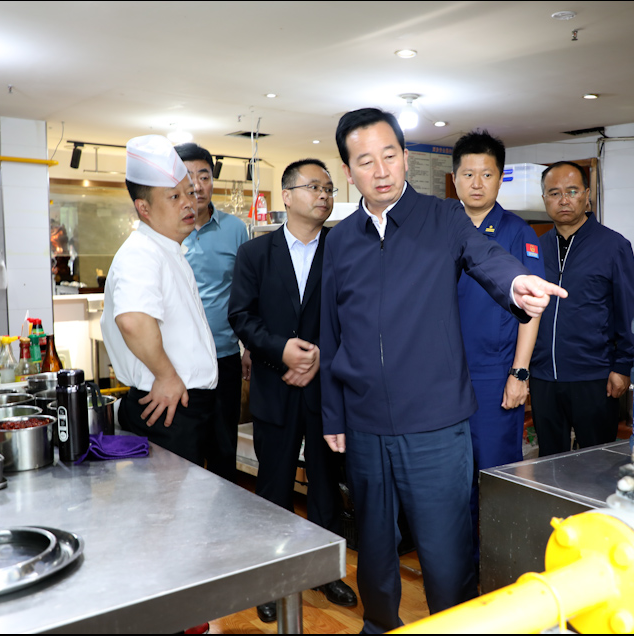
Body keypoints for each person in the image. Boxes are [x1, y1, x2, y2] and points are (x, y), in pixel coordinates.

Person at [319, 108, 567, 634]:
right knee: (375, 546)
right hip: (364, 425)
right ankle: (378, 624)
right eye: (365, 161)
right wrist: (333, 413)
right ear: (348, 171)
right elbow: (330, 331)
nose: (381, 170)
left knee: (445, 551)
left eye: (390, 155)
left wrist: (516, 283)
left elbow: (486, 257)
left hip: (436, 424)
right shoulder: (339, 240)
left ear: (406, 158)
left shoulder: (444, 218)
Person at [228, 158, 357, 622]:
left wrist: (321, 354)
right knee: (274, 486)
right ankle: (271, 579)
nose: (324, 195)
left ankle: (325, 572)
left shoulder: (343, 249)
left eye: (329, 188)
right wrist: (280, 350)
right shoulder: (255, 254)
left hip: (327, 392)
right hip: (275, 385)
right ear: (286, 196)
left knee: (325, 486)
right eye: (314, 187)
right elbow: (241, 316)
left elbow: (355, 314)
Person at [101, 135, 232, 474]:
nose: (189, 202)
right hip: (168, 406)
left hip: (184, 405)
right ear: (143, 208)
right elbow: (132, 320)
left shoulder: (167, 249)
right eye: (174, 196)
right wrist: (167, 375)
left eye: (189, 192)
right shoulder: (141, 253)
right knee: (172, 503)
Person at [451, 130, 543, 563]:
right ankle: (460, 569)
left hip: (493, 374)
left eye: (486, 174)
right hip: (443, 375)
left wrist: (519, 373)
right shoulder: (439, 228)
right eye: (468, 174)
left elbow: (533, 310)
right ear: (454, 178)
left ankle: (498, 567)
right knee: (451, 479)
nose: (476, 183)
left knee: (494, 475)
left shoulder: (518, 232)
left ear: (500, 178)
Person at [530, 161, 634, 456]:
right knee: (549, 460)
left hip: (594, 376)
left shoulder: (613, 246)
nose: (563, 200)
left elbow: (628, 310)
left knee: (596, 460)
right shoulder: (534, 248)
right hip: (543, 376)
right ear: (544, 199)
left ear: (587, 195)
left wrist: (623, 366)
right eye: (554, 193)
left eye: (572, 191)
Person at [174, 142, 250, 481]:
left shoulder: (235, 229)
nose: (197, 185)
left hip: (224, 357)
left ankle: (226, 513)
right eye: (188, 176)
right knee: (183, 452)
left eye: (204, 176)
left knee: (223, 450)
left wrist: (248, 346)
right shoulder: (166, 232)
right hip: (179, 362)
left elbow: (247, 292)